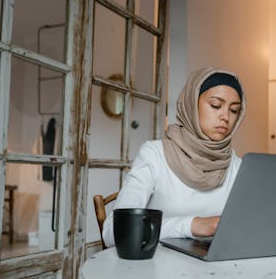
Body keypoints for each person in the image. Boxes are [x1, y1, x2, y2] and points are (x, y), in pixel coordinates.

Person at [102, 67, 246, 247]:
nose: (225, 116)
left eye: (234, 110)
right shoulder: (155, 155)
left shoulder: (236, 166)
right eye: (216, 105)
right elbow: (113, 232)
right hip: (157, 269)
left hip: (216, 268)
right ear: (192, 104)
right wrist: (191, 225)